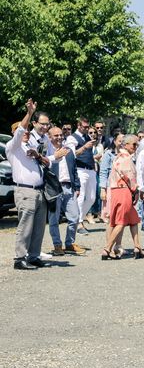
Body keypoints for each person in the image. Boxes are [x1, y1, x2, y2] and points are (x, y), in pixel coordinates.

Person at [6, 99, 68, 270]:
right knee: (25, 226)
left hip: (39, 190)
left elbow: (47, 162)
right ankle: (20, 258)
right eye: (22, 131)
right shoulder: (13, 147)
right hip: (25, 190)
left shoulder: (30, 148)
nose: (25, 132)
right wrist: (29, 113)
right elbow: (20, 130)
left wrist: (44, 156)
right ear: (15, 134)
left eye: (27, 131)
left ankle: (33, 255)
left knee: (39, 226)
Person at [103, 134, 144, 259]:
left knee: (133, 220)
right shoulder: (126, 158)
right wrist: (136, 190)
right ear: (126, 145)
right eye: (134, 144)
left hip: (116, 190)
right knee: (120, 222)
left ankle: (138, 247)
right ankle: (107, 249)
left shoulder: (117, 157)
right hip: (123, 191)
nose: (136, 147)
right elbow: (130, 177)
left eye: (137, 144)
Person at [47, 127, 85, 256]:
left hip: (68, 187)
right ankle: (57, 245)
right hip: (53, 188)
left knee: (74, 216)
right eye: (55, 135)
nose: (59, 137)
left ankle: (70, 243)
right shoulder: (47, 152)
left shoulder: (69, 151)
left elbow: (74, 170)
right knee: (54, 218)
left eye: (60, 135)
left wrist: (77, 186)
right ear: (49, 136)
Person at [65, 117, 97, 235]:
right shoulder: (72, 138)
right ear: (78, 126)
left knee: (92, 198)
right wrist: (84, 147)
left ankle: (79, 217)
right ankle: (79, 223)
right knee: (80, 197)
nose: (87, 129)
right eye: (84, 127)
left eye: (88, 127)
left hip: (90, 169)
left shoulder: (87, 136)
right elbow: (71, 153)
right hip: (80, 169)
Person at [100, 132, 125, 258]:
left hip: (124, 190)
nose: (122, 143)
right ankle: (108, 247)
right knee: (111, 220)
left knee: (121, 219)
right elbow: (103, 172)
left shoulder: (127, 155)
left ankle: (118, 246)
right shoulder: (108, 154)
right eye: (120, 140)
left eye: (124, 140)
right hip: (111, 189)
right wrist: (103, 189)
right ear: (114, 141)